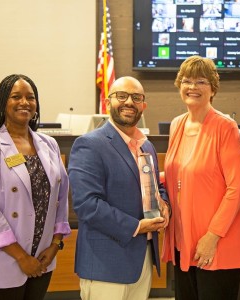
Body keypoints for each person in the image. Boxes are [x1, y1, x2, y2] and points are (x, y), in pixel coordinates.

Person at [0, 74, 71, 300]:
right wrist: (22, 258)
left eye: (30, 97)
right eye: (16, 97)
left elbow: (60, 198)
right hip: (4, 258)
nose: (25, 102)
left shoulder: (49, 144)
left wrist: (55, 244)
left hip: (43, 256)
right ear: (3, 102)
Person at [162, 55, 240, 300]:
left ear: (213, 88)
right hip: (185, 239)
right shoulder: (177, 124)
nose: (192, 87)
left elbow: (236, 188)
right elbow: (179, 174)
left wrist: (212, 236)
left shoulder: (225, 127)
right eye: (186, 81)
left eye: (201, 81)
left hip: (217, 240)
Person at [68, 76, 170, 300]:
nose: (129, 102)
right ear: (107, 102)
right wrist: (137, 226)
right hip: (106, 264)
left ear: (144, 105)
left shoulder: (147, 145)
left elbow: (154, 186)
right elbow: (87, 205)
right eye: (121, 96)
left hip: (142, 261)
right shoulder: (89, 145)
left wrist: (164, 203)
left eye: (136, 97)